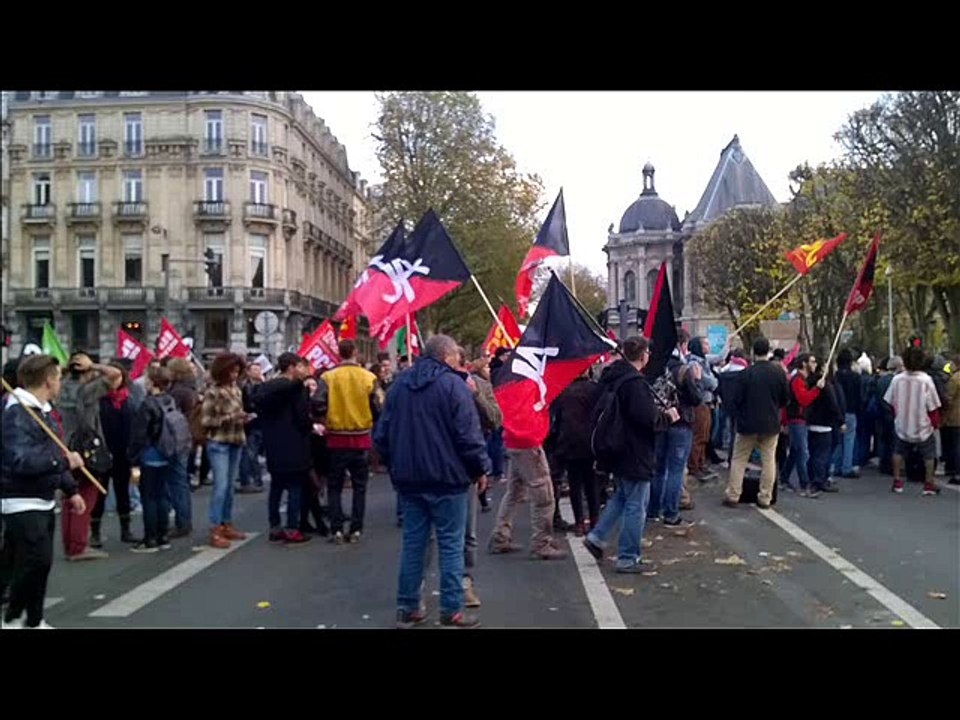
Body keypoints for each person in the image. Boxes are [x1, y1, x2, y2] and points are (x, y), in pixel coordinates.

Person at [374, 335, 491, 628]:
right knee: (451, 544)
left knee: (414, 543)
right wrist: (480, 469)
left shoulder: (399, 386)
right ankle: (451, 609)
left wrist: (396, 465)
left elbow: (382, 435)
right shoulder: (454, 386)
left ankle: (408, 606)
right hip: (448, 479)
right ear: (446, 356)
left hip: (410, 479)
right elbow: (469, 437)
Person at [1, 355, 87, 629]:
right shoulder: (17, 414)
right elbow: (21, 460)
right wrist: (63, 462)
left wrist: (71, 488)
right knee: (32, 563)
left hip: (42, 499)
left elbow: (52, 450)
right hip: (21, 500)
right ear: (49, 381)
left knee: (39, 565)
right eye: (59, 378)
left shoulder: (42, 411)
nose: (61, 383)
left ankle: (33, 619)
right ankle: (13, 618)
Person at [582, 337, 679, 573]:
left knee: (622, 497)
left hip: (617, 447)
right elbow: (646, 419)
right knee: (636, 505)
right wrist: (667, 417)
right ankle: (628, 557)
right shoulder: (634, 384)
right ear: (643, 355)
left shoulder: (612, 377)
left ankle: (597, 537)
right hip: (635, 450)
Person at [58, 352, 122, 561]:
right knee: (85, 497)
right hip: (86, 449)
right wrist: (93, 365)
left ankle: (70, 544)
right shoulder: (87, 390)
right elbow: (116, 374)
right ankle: (78, 546)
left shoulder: (62, 387)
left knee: (69, 496)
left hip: (66, 445)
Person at [315, 340, 378, 544]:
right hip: (361, 438)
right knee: (360, 487)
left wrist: (327, 417)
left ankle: (337, 529)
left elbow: (317, 403)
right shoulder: (368, 377)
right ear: (355, 352)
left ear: (339, 353)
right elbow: (377, 406)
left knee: (334, 486)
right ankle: (356, 528)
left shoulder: (328, 377)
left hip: (336, 438)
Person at [127, 366, 191, 552]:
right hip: (168, 452)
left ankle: (150, 538)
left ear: (152, 382)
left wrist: (132, 457)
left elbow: (139, 435)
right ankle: (163, 536)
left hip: (150, 454)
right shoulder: (169, 400)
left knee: (149, 497)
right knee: (162, 495)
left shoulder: (147, 404)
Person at [723, 337, 790, 509]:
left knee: (739, 459)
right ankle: (765, 497)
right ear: (768, 351)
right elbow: (785, 399)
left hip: (747, 423)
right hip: (770, 423)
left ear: (753, 352)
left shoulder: (746, 374)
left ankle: (733, 495)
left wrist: (739, 416)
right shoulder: (778, 373)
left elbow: (736, 399)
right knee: (769, 461)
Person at [258, 352, 314, 545]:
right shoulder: (296, 389)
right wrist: (310, 426)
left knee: (276, 487)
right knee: (295, 488)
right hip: (294, 443)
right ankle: (292, 528)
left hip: (273, 444)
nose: (303, 370)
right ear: (291, 367)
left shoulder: (266, 388)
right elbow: (302, 418)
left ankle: (275, 527)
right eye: (300, 366)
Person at [649, 338, 703, 526]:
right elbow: (696, 398)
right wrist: (697, 381)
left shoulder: (654, 368)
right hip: (681, 422)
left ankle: (653, 509)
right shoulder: (683, 370)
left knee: (658, 468)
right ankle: (671, 513)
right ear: (682, 345)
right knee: (676, 470)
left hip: (660, 421)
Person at [201, 353, 250, 548]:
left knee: (229, 487)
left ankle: (226, 523)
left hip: (235, 440)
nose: (234, 375)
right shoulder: (213, 392)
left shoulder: (236, 390)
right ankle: (215, 528)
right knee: (220, 486)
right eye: (231, 371)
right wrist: (231, 418)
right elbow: (206, 421)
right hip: (219, 442)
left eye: (237, 371)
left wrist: (243, 418)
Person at [885, 346, 943, 495]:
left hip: (902, 423)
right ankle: (928, 483)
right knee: (929, 454)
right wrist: (935, 423)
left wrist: (896, 415)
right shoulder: (926, 380)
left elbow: (890, 401)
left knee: (898, 451)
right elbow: (933, 406)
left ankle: (897, 481)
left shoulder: (897, 379)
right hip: (922, 424)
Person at [95, 361, 141, 545]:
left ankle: (126, 529)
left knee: (123, 492)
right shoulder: (99, 400)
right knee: (100, 493)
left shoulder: (129, 399)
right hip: (103, 452)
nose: (114, 382)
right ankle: (95, 532)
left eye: (117, 378)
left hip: (123, 453)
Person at [551, 369, 601, 536]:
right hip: (590, 443)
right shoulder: (595, 389)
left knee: (575, 484)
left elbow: (557, 418)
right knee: (591, 484)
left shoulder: (564, 391)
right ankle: (594, 519)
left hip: (569, 442)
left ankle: (579, 521)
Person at [779, 353, 825, 492]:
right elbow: (803, 400)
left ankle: (784, 478)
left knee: (795, 451)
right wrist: (817, 389)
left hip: (798, 419)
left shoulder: (800, 379)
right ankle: (804, 484)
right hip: (796, 419)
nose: (815, 364)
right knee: (802, 452)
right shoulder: (798, 381)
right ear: (804, 364)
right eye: (812, 361)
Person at [161, 358, 195, 536]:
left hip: (176, 439)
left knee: (176, 482)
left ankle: (182, 522)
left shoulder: (177, 392)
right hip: (185, 438)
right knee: (180, 481)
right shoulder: (189, 389)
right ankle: (184, 520)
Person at [804, 369, 845, 497]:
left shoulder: (809, 384)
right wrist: (840, 421)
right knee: (822, 455)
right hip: (825, 424)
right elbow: (833, 405)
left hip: (811, 423)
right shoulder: (826, 387)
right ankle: (818, 481)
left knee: (813, 454)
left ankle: (812, 479)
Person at [686, 337, 719, 482]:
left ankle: (700, 462)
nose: (708, 346)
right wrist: (713, 381)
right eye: (705, 343)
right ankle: (694, 466)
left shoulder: (703, 361)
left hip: (706, 402)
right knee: (699, 435)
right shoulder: (694, 363)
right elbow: (710, 381)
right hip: (700, 403)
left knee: (705, 435)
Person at [833, 349, 862, 479]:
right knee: (849, 439)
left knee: (838, 440)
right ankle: (847, 467)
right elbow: (859, 395)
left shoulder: (835, 377)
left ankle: (836, 465)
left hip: (837, 411)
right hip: (850, 410)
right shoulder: (855, 376)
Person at [237, 363, 265, 494]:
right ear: (248, 372)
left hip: (258, 423)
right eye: (254, 370)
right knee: (250, 453)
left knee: (250, 453)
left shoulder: (261, 386)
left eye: (259, 369)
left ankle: (249, 480)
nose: (257, 372)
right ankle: (253, 480)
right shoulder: (246, 387)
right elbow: (250, 404)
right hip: (250, 423)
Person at [942, 355, 959, 485]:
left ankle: (956, 472)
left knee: (956, 446)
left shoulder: (955, 379)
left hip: (955, 416)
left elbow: (948, 397)